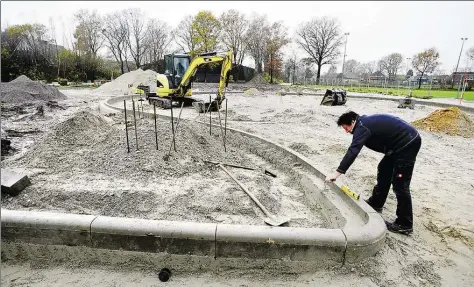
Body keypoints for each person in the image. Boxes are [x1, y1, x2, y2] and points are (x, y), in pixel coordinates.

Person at [325, 111, 421, 235]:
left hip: (408, 143)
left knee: (400, 184)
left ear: (352, 122)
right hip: (397, 146)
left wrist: (337, 173)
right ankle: (376, 203)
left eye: (346, 127)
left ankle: (405, 224)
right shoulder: (362, 123)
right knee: (384, 169)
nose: (346, 131)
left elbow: (353, 151)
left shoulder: (361, 127)